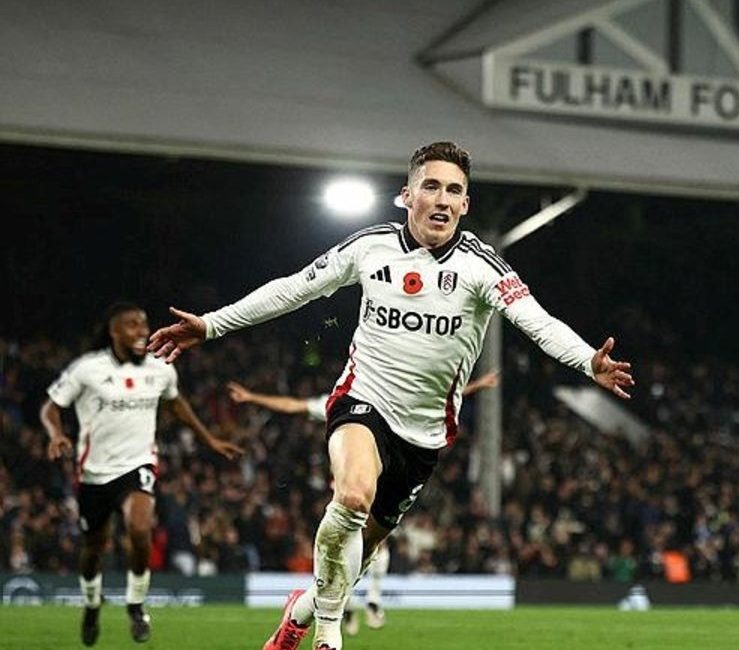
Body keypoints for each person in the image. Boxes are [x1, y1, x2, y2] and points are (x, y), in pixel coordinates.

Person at [148, 141, 634, 650]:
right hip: (362, 401)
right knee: (353, 495)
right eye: (431, 186)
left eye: (455, 190)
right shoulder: (370, 246)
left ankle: (303, 611)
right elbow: (293, 289)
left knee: (354, 556)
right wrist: (211, 325)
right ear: (407, 196)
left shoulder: (482, 268)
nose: (442, 199)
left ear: (465, 205)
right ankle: (329, 637)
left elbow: (535, 320)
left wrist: (587, 360)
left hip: (424, 436)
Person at [225, 370, 500, 634]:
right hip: (351, 488)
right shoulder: (343, 401)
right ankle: (349, 607)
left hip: (385, 483)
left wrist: (475, 386)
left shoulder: (396, 397)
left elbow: (435, 398)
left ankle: (357, 603)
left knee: (372, 546)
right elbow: (292, 406)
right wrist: (251, 398)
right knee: (348, 544)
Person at [40, 302, 242, 646]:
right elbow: (50, 408)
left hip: (138, 465)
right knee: (94, 548)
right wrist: (56, 435)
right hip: (93, 473)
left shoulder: (161, 370)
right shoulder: (87, 369)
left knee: (140, 527)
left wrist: (209, 439)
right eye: (131, 325)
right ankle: (91, 605)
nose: (140, 331)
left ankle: (135, 604)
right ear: (114, 331)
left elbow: (176, 404)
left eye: (143, 324)